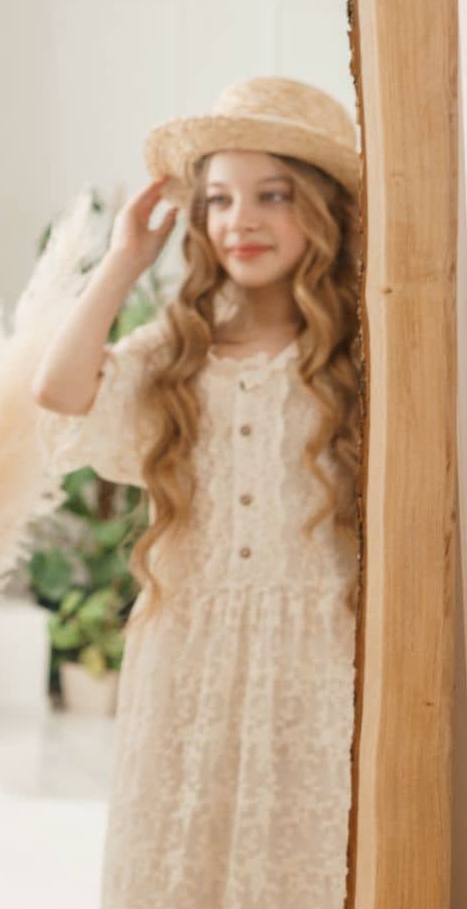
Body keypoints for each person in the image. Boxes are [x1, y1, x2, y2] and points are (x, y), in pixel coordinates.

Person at [31, 77, 362, 909]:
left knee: (298, 859)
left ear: (321, 209)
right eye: (217, 200)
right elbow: (59, 391)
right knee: (172, 855)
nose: (240, 220)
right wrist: (122, 261)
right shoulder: (182, 344)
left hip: (319, 652)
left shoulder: (362, 354)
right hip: (186, 647)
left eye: (271, 196)